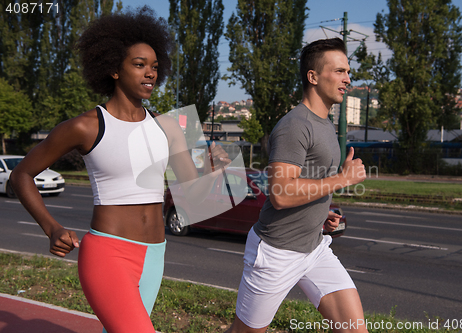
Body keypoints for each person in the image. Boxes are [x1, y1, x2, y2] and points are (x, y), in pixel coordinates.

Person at [10, 7, 228, 333]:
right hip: (107, 254)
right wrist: (52, 228)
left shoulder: (169, 125)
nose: (150, 73)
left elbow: (197, 196)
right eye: (139, 65)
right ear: (114, 68)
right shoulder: (86, 126)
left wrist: (219, 168)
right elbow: (21, 175)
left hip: (155, 255)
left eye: (155, 67)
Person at [225, 38, 368, 333]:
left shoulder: (325, 124)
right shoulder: (295, 125)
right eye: (340, 71)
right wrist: (343, 179)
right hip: (277, 252)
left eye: (347, 71)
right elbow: (280, 193)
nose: (347, 79)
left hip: (314, 248)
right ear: (313, 77)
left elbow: (309, 182)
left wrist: (320, 211)